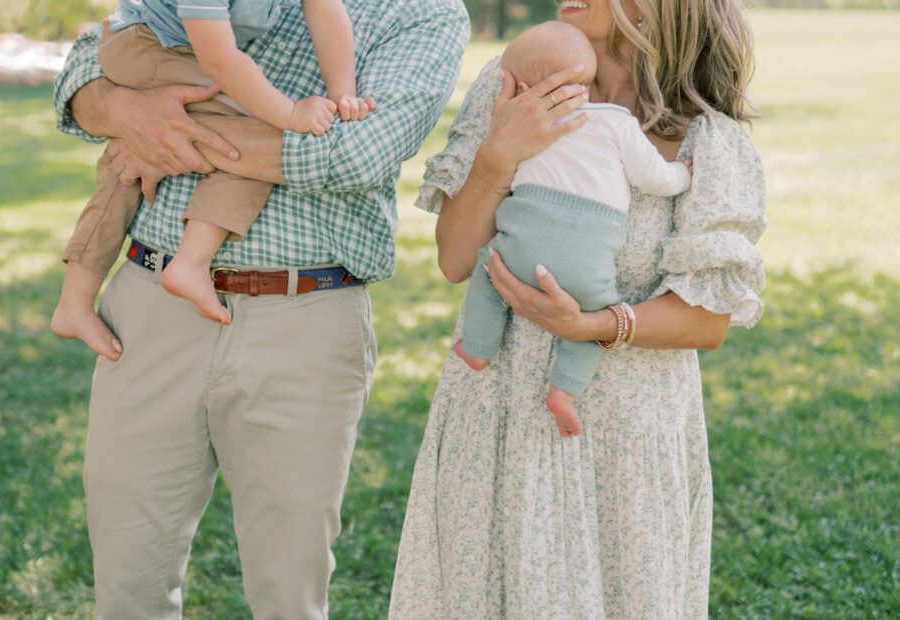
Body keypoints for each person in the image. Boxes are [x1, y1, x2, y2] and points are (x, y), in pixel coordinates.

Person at [51, 0, 469, 614]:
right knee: (127, 576)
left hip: (305, 318)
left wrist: (172, 132)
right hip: (149, 306)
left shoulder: (425, 12)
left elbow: (353, 155)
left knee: (289, 588)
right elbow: (82, 72)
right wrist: (127, 111)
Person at [389, 0, 766, 617]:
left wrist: (590, 326)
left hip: (624, 433)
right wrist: (496, 158)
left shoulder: (708, 140)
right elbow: (456, 259)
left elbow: (707, 320)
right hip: (496, 410)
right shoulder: (518, 81)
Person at [52, 0, 373, 359]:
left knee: (126, 163)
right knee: (264, 129)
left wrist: (343, 93)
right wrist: (291, 113)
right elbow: (219, 58)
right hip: (146, 44)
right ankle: (189, 264)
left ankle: (74, 302)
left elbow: (326, 12)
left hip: (171, 46)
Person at [453, 21, 692, 437]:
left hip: (519, 247)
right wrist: (682, 176)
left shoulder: (522, 130)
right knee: (595, 318)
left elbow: (456, 259)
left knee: (487, 271)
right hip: (587, 256)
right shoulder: (616, 122)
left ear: (522, 87)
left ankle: (477, 348)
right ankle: (564, 391)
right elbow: (655, 180)